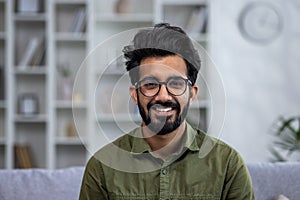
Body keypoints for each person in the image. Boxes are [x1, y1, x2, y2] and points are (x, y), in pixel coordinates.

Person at [79, 23, 254, 200]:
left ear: (192, 94)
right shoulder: (102, 166)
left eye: (176, 84)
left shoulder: (228, 165)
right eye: (150, 85)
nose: (163, 96)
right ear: (134, 94)